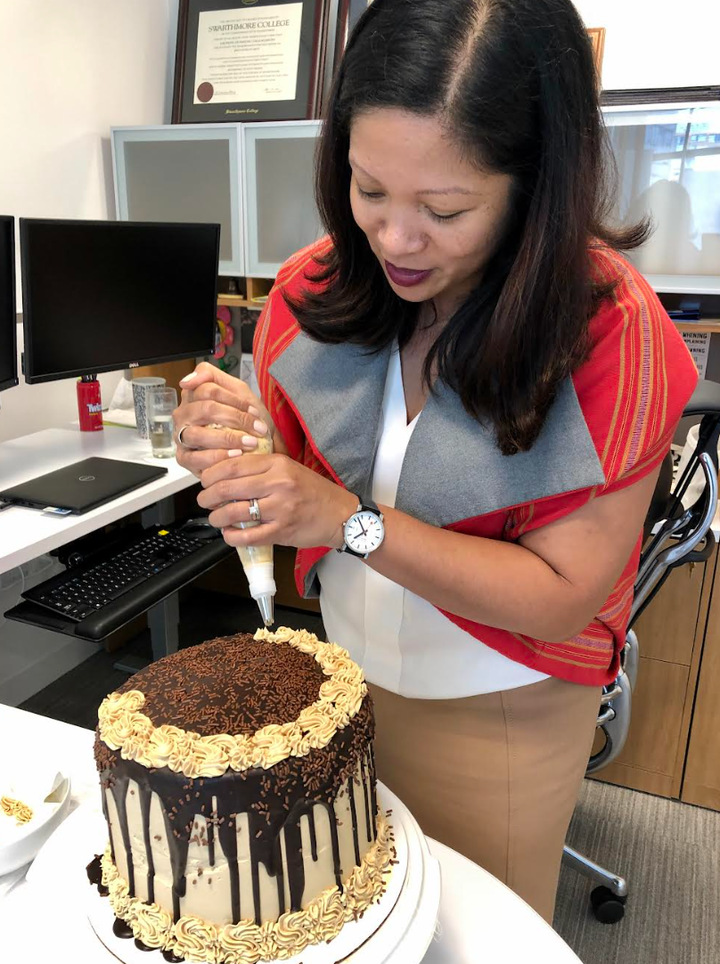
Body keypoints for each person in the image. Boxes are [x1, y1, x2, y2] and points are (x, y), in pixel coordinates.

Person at [172, 0, 698, 924]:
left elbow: (560, 595)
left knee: (469, 932)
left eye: (444, 209)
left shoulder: (613, 335)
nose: (394, 241)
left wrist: (344, 521)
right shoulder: (315, 289)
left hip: (501, 705)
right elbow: (287, 478)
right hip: (341, 682)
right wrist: (233, 444)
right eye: (369, 190)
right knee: (345, 917)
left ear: (536, 186)